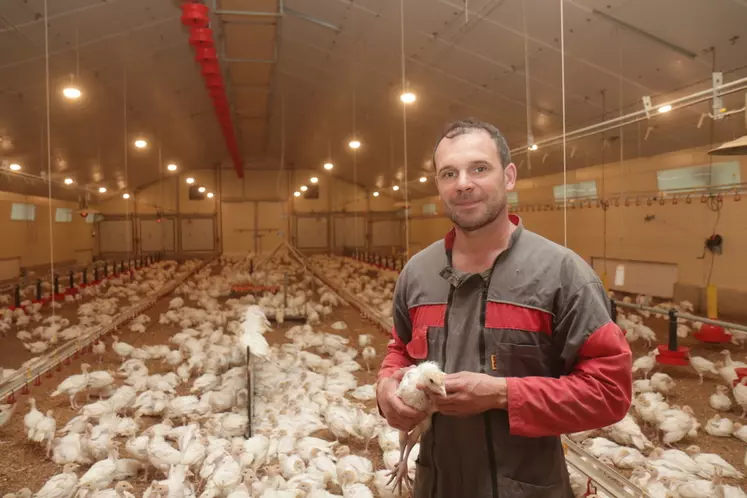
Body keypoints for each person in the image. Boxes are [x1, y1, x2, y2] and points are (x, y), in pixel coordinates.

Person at [375, 118, 633, 498]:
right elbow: (399, 351)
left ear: (509, 176)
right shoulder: (417, 273)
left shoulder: (563, 274)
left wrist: (502, 394)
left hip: (527, 489)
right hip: (436, 486)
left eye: (479, 168)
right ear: (439, 186)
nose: (463, 183)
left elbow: (610, 392)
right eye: (449, 173)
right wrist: (385, 389)